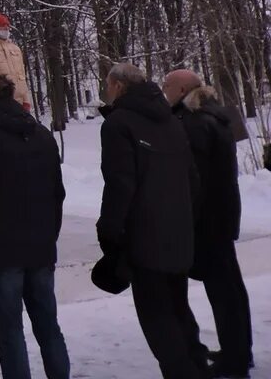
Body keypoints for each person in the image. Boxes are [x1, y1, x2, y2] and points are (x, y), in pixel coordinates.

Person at [97, 62, 207, 379]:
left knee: (158, 318)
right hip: (179, 232)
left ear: (118, 86)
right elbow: (193, 180)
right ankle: (197, 367)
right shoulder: (171, 120)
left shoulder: (119, 124)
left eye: (108, 85)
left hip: (145, 238)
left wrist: (109, 232)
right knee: (178, 308)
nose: (107, 90)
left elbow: (120, 184)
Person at [0, 75, 69, 379]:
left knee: (9, 331)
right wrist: (50, 236)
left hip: (1, 252)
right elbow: (57, 193)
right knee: (49, 326)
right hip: (40, 250)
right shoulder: (42, 135)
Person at [163, 69, 252, 378]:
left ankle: (236, 360)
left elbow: (195, 180)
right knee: (231, 290)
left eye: (168, 86)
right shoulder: (213, 116)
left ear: (184, 88)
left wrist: (188, 219)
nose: (165, 91)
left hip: (209, 222)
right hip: (222, 216)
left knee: (224, 293)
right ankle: (239, 350)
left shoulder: (197, 123)